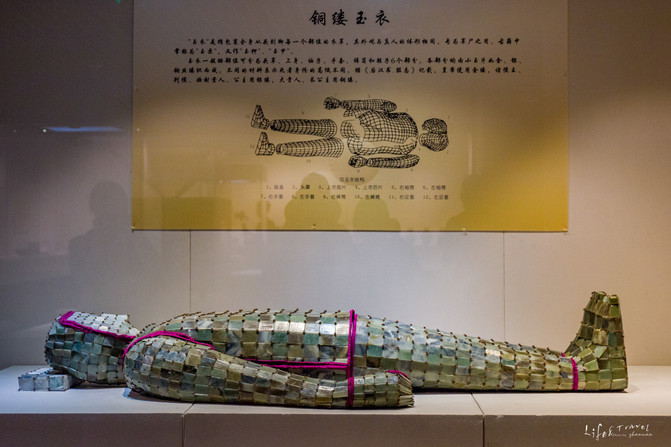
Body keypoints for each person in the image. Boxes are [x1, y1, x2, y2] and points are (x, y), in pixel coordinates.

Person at [45, 291, 627, 408]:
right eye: (84, 323)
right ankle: (586, 369)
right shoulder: (143, 358)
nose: (102, 314)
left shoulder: (148, 343)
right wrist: (340, 393)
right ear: (87, 345)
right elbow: (245, 380)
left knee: (469, 355)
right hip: (337, 353)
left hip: (337, 336)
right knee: (467, 359)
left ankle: (581, 367)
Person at [251, 97, 448, 169]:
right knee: (309, 126)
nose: (431, 138)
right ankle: (265, 124)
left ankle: (271, 149)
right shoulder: (407, 118)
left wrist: (367, 162)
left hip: (353, 147)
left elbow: (391, 162)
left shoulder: (410, 153)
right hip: (352, 122)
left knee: (313, 147)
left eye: (435, 139)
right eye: (435, 134)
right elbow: (376, 104)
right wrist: (342, 104)